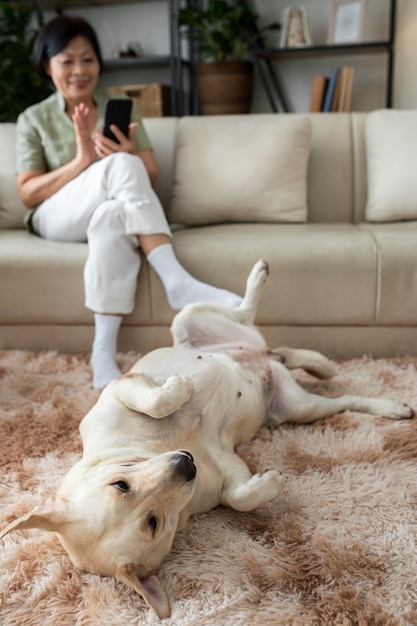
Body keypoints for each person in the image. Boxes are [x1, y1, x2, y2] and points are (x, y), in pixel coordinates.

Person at [16, 15, 242, 389]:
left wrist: (126, 153)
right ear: (47, 65)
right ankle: (175, 280)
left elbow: (149, 174)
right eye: (67, 60)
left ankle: (102, 350)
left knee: (110, 214)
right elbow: (28, 193)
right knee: (120, 166)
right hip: (55, 217)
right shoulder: (34, 118)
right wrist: (82, 160)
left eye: (88, 59)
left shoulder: (120, 106)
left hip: (107, 210)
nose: (79, 70)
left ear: (99, 63)